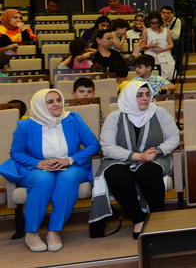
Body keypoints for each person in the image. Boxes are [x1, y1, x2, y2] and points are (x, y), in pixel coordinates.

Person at [0, 89, 100, 252]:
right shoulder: (25, 126)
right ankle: (31, 232)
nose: (56, 104)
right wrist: (37, 163)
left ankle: (55, 230)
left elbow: (93, 145)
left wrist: (70, 160)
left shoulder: (73, 119)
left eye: (58, 100)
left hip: (71, 165)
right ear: (39, 105)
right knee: (43, 180)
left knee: (68, 178)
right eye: (50, 102)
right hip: (36, 167)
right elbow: (16, 153)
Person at [94, 81, 179, 238]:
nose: (145, 98)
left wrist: (158, 150)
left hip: (155, 157)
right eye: (139, 95)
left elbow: (174, 138)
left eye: (147, 94)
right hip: (121, 159)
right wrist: (138, 156)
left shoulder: (160, 113)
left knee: (148, 171)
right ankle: (138, 219)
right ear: (129, 97)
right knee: (117, 175)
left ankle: (157, 217)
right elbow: (107, 147)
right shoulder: (114, 117)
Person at [137, 12, 174, 80]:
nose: (155, 25)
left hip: (164, 54)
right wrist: (150, 46)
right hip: (150, 55)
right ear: (149, 23)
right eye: (153, 23)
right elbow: (142, 46)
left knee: (167, 75)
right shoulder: (146, 31)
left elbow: (171, 44)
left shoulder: (166, 31)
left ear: (160, 22)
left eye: (157, 23)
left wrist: (162, 50)